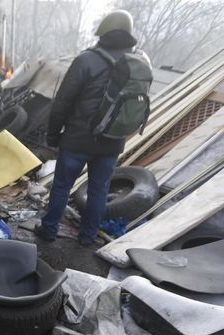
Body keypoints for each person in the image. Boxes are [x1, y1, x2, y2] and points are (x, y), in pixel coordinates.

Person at [36, 10, 144, 246]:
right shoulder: (136, 62)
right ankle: (87, 237)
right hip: (112, 141)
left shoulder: (87, 60)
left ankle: (49, 229)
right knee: (99, 190)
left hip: (78, 139)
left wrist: (53, 136)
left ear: (103, 32)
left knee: (62, 186)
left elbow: (63, 101)